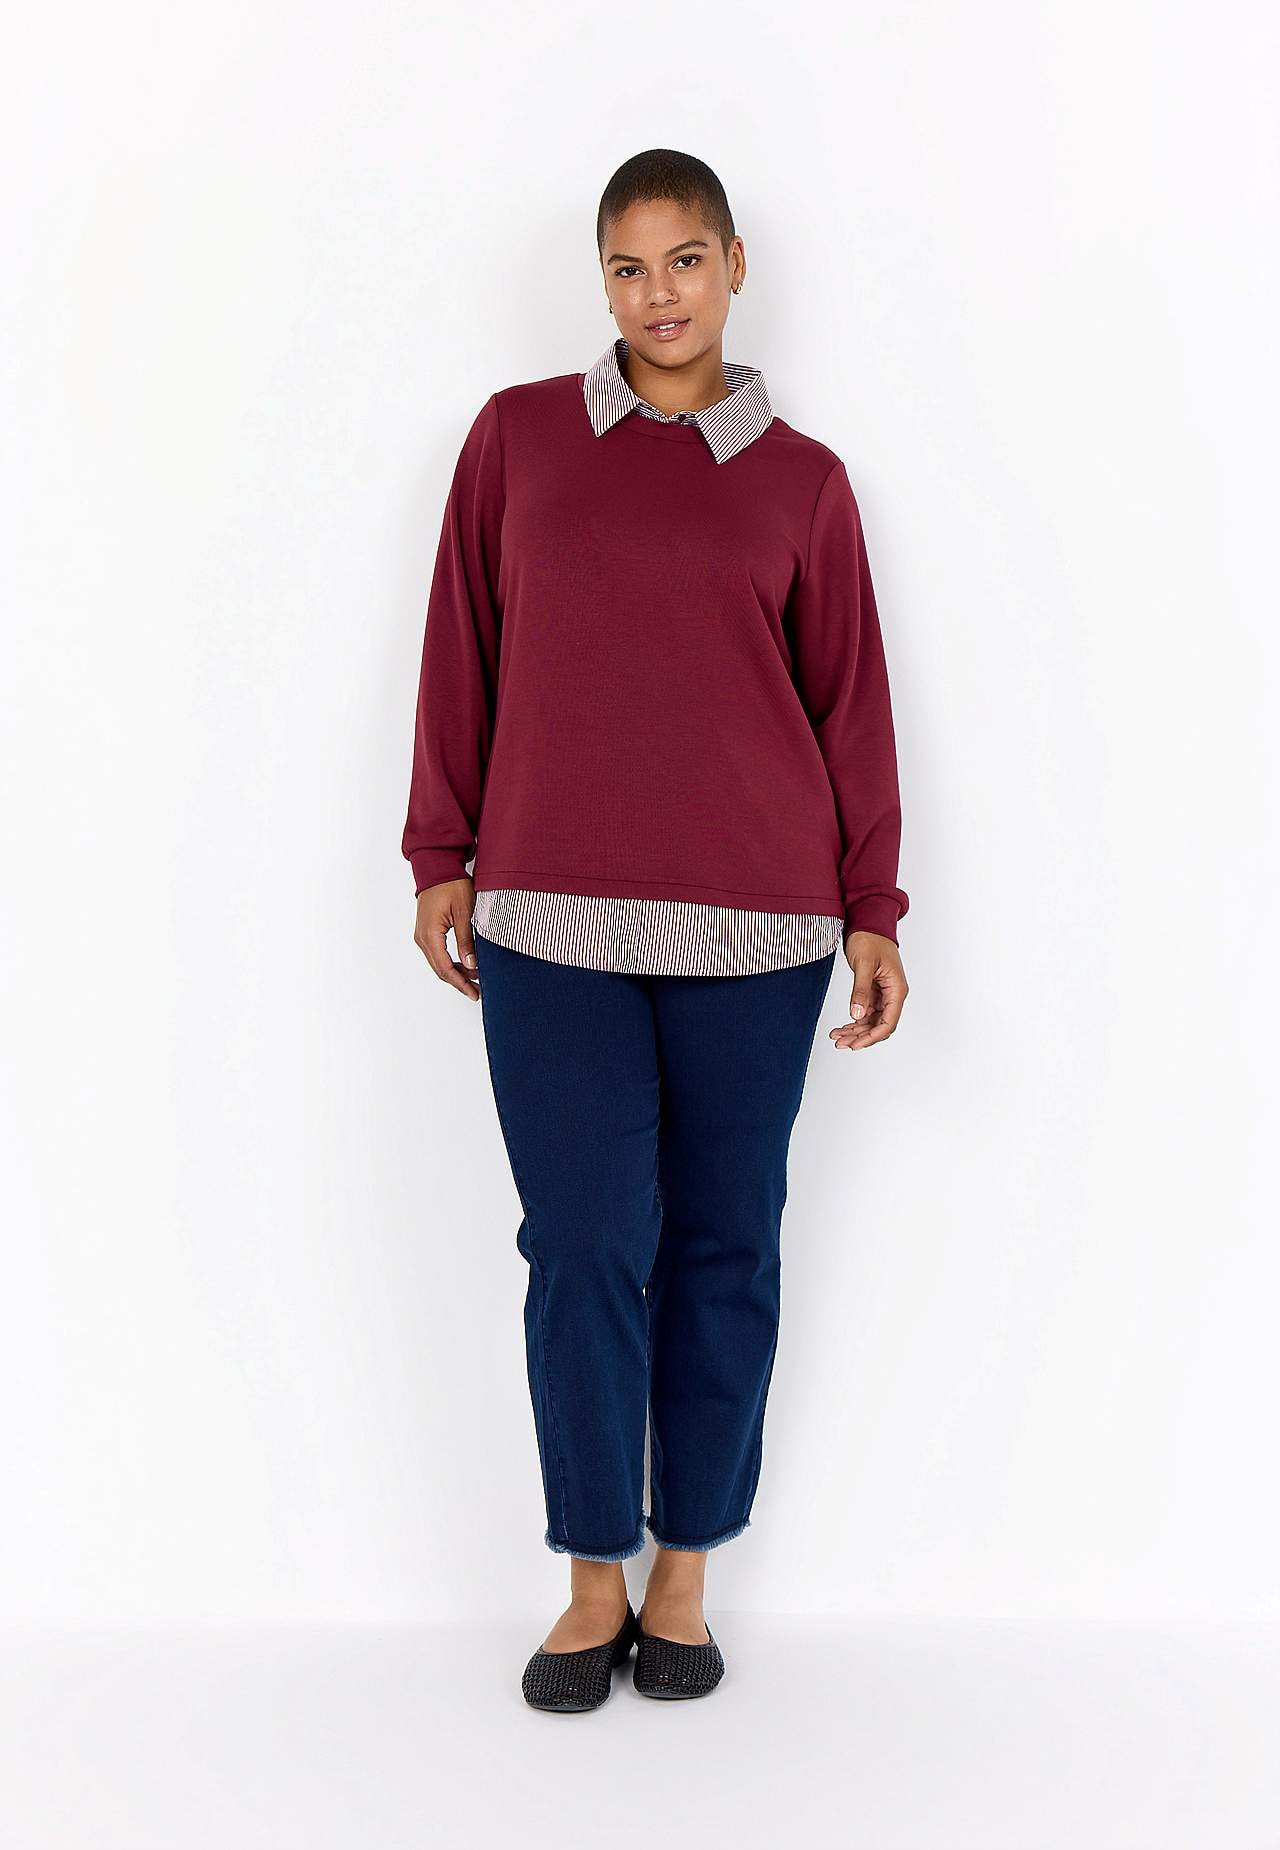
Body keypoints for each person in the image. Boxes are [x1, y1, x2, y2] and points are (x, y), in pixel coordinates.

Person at [402, 148, 910, 1710]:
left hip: (760, 925)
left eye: (686, 260)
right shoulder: (518, 441)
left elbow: (849, 703)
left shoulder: (805, 482)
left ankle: (685, 1566)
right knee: (580, 1243)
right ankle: (591, 1574)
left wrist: (874, 906)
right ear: (603, 284)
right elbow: (462, 647)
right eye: (629, 268)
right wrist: (439, 849)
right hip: (549, 914)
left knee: (722, 1240)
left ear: (734, 265)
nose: (659, 294)